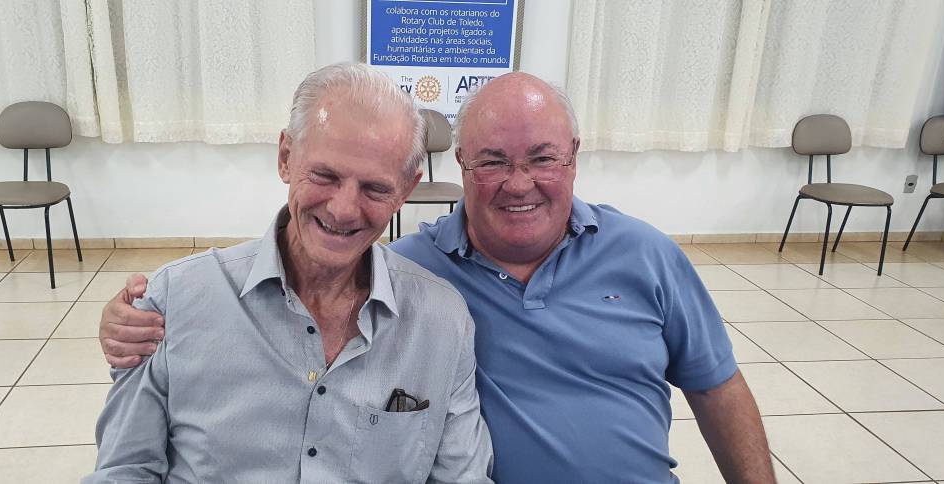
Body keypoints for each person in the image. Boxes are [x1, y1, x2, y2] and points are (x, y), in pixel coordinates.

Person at [99, 71, 774, 482]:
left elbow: (717, 386)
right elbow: (125, 467)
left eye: (542, 159)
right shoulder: (418, 276)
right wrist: (133, 317)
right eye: (492, 161)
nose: (518, 183)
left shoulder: (643, 256)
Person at [84, 62, 493, 483]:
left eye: (375, 188)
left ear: (405, 190)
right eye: (325, 175)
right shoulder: (175, 299)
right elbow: (125, 469)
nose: (343, 209)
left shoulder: (441, 322)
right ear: (285, 158)